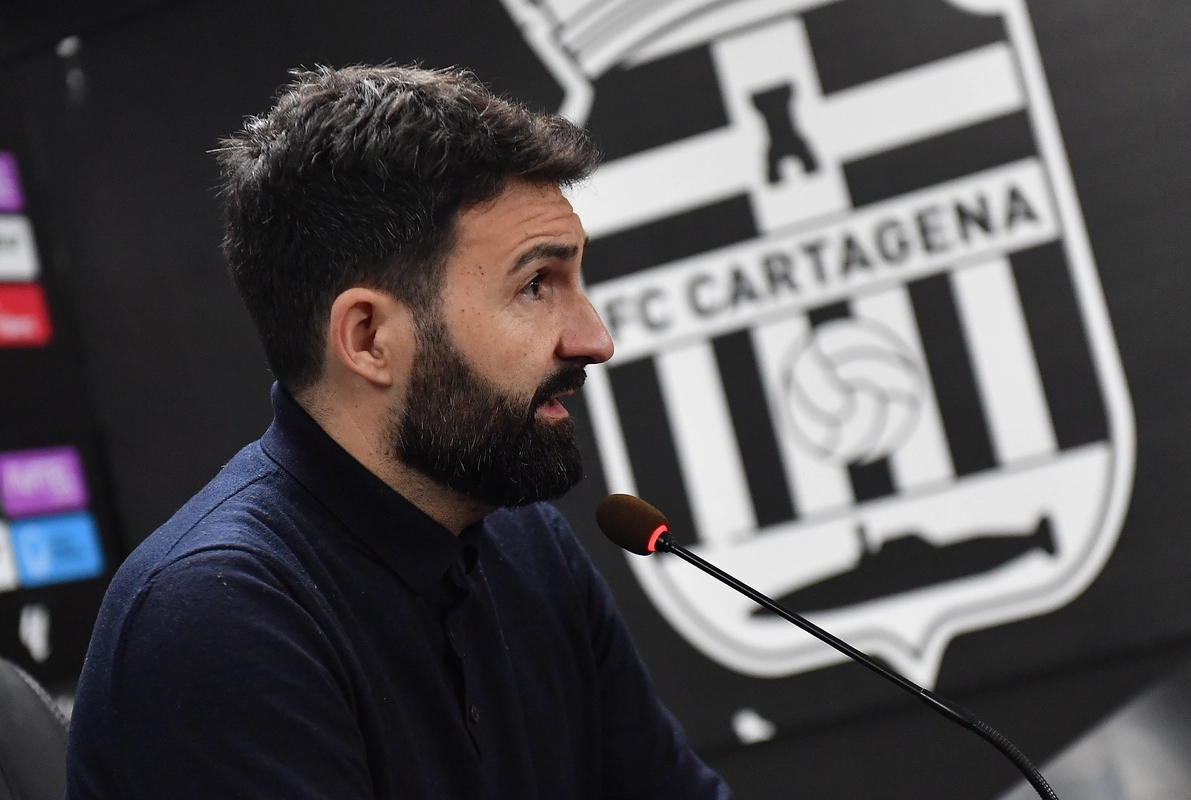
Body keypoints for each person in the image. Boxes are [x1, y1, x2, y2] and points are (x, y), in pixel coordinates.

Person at [63, 64, 731, 799]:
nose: (594, 338)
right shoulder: (216, 618)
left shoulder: (527, 542)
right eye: (536, 284)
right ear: (370, 337)